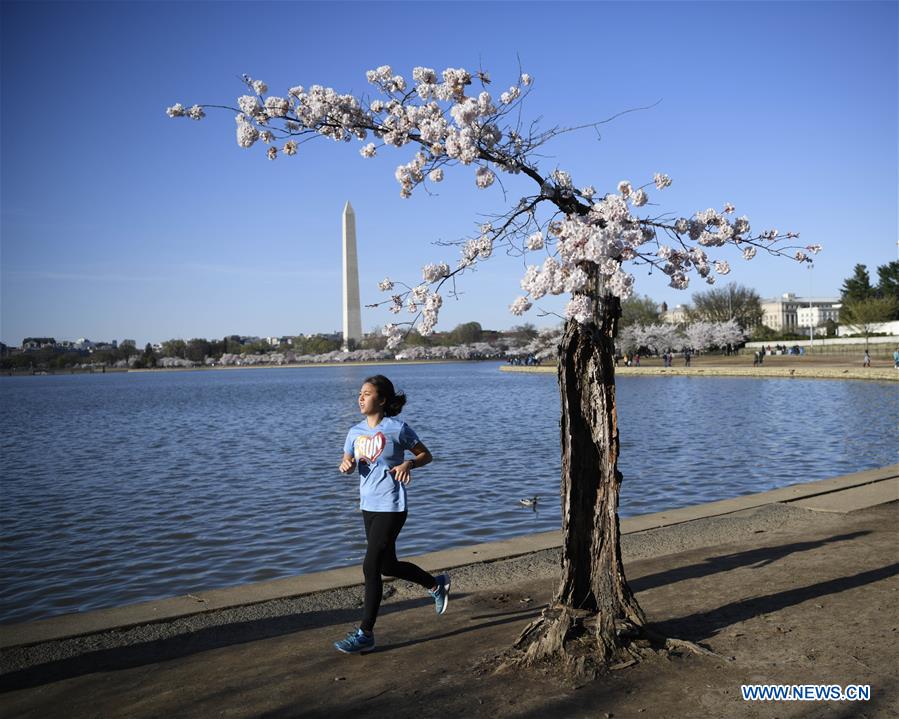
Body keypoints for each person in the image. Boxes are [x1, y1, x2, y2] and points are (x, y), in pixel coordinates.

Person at [335, 375, 448, 654]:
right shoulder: (354, 432)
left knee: (370, 566)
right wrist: (346, 464)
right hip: (368, 506)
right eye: (359, 394)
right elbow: (347, 459)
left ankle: (366, 633)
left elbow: (426, 455)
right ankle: (435, 585)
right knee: (387, 566)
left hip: (392, 506)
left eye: (367, 394)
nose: (360, 398)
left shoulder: (397, 429)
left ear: (382, 400)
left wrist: (408, 463)